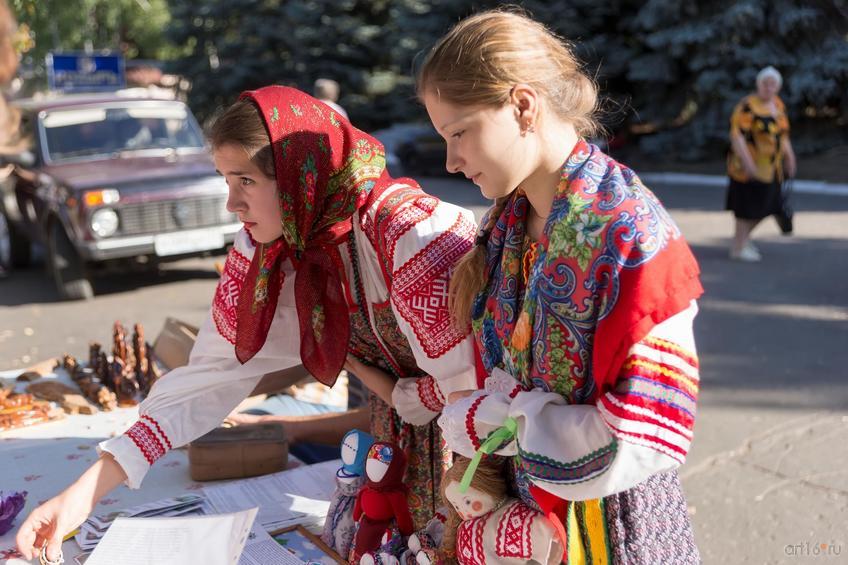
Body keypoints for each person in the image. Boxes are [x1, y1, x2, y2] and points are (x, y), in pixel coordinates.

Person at [16, 86, 478, 561]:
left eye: (246, 181)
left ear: (300, 176)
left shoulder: (409, 234)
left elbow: (476, 389)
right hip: (392, 449)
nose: (231, 204)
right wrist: (77, 500)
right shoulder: (274, 249)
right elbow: (205, 379)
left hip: (472, 458)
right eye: (225, 180)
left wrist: (402, 396)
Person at [419, 10, 704, 563]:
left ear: (523, 106)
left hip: (608, 525)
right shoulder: (505, 228)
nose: (451, 161)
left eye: (459, 134)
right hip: (518, 521)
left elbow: (650, 434)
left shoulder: (631, 236)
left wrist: (505, 417)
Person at [726, 65, 797, 261]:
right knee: (746, 208)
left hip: (772, 169)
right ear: (759, 84)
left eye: (773, 84)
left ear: (778, 87)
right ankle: (738, 248)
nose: (769, 87)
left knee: (768, 206)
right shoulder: (748, 106)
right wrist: (748, 163)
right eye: (765, 83)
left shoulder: (778, 105)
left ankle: (742, 240)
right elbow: (737, 136)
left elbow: (783, 135)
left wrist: (790, 156)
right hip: (747, 169)